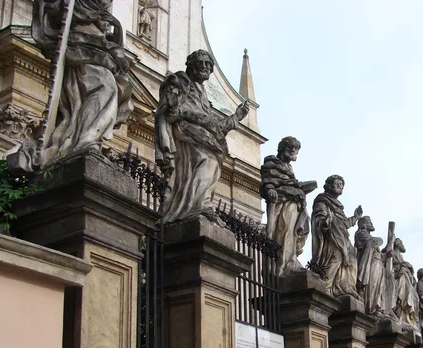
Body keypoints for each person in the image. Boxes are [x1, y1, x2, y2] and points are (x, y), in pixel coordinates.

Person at [31, 0, 133, 168]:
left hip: (99, 47)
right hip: (81, 43)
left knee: (107, 91)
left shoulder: (99, 8)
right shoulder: (78, 4)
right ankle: (86, 141)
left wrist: (115, 26)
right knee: (106, 89)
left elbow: (107, 28)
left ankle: (85, 140)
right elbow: (53, 8)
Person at [155, 49, 249, 223]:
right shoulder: (180, 80)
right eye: (201, 62)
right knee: (208, 160)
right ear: (191, 65)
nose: (205, 67)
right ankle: (198, 205)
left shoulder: (204, 95)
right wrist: (174, 107)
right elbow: (169, 111)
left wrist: (236, 117)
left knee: (211, 162)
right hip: (186, 132)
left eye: (208, 64)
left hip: (203, 135)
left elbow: (214, 125)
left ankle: (196, 204)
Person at [260, 137, 316, 275]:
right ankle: (283, 265)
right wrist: (270, 188)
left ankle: (290, 260)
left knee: (292, 232)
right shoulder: (271, 161)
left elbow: (291, 183)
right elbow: (268, 180)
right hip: (281, 202)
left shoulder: (289, 168)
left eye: (296, 149)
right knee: (283, 229)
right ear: (282, 148)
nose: (293, 151)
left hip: (294, 203)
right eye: (290, 147)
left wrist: (302, 187)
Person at [311, 175, 362, 298]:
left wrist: (355, 217)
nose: (340, 186)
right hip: (331, 238)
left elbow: (344, 224)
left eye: (342, 185)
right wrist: (325, 223)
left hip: (342, 237)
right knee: (336, 258)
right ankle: (326, 285)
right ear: (328, 185)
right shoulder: (322, 200)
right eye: (337, 183)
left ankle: (344, 286)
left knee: (351, 260)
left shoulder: (338, 206)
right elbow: (319, 217)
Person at [355, 216, 389, 315]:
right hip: (370, 264)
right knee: (372, 284)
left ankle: (376, 307)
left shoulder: (370, 237)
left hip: (378, 263)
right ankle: (370, 308)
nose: (371, 223)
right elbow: (371, 243)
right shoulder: (361, 234)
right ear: (363, 224)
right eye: (369, 221)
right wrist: (379, 240)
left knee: (379, 286)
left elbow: (379, 254)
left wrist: (386, 255)